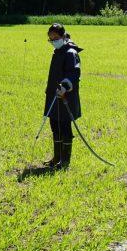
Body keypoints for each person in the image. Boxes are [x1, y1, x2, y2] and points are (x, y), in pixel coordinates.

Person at [44, 23, 82, 170]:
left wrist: (65, 87)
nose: (53, 41)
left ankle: (65, 162)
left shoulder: (71, 52)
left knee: (65, 128)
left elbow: (74, 74)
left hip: (66, 97)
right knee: (55, 126)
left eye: (55, 37)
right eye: (50, 38)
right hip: (53, 96)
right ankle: (56, 158)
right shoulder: (58, 51)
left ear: (63, 36)